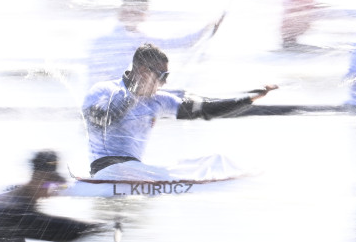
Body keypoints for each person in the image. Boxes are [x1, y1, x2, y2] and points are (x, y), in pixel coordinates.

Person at [82, 43, 276, 180]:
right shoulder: (104, 90)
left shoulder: (159, 100)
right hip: (105, 171)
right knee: (172, 174)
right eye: (161, 76)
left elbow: (205, 110)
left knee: (211, 163)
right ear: (142, 71)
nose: (165, 82)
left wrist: (248, 98)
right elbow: (96, 121)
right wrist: (131, 97)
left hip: (135, 171)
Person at [85, 0, 220, 89]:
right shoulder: (106, 41)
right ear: (123, 11)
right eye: (134, 11)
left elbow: (178, 43)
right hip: (105, 101)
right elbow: (96, 79)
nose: (137, 15)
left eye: (141, 12)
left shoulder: (139, 38)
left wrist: (207, 29)